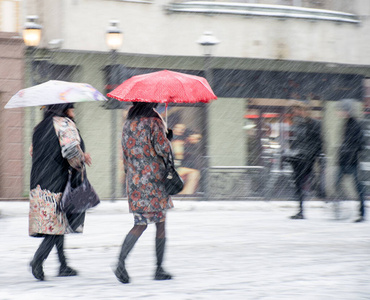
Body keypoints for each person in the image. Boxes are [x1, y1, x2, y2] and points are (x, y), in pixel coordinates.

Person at [29, 103, 92, 281]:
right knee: (56, 227)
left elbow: (33, 152)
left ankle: (63, 265)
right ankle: (38, 260)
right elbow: (71, 152)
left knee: (57, 223)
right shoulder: (63, 124)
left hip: (39, 181)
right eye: (72, 108)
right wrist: (82, 158)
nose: (74, 111)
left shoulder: (40, 127)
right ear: (64, 108)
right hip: (57, 180)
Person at [115, 102, 173, 284]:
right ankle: (158, 268)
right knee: (160, 224)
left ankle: (121, 262)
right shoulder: (154, 121)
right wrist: (168, 137)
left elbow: (125, 152)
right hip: (154, 180)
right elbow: (163, 149)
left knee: (140, 223)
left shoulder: (128, 123)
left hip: (134, 180)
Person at [283, 100, 323, 219]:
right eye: (294, 111)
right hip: (298, 158)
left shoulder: (315, 124)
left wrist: (315, 156)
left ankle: (318, 194)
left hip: (308, 158)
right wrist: (291, 153)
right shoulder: (297, 124)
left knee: (303, 181)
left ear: (304, 110)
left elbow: (318, 142)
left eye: (297, 110)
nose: (296, 113)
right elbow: (296, 141)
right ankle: (300, 210)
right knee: (297, 183)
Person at [335, 99, 366, 222]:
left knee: (358, 187)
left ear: (346, 111)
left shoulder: (355, 124)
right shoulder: (347, 123)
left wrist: (350, 153)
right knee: (337, 184)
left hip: (351, 161)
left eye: (341, 110)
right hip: (344, 160)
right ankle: (339, 209)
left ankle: (361, 213)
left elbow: (360, 144)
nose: (338, 112)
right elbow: (345, 144)